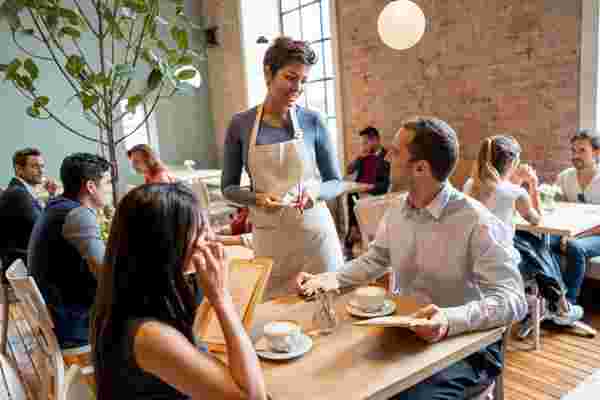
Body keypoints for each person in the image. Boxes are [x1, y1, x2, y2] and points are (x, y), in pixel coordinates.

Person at [297, 117, 527, 399]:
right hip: (405, 333)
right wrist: (329, 278)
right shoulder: (396, 211)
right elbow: (375, 260)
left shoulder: (477, 221)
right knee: (332, 376)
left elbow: (514, 299)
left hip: (466, 346)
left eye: (394, 152)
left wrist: (448, 319)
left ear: (420, 168)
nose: (386, 158)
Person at [92, 183, 267, 400]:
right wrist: (222, 298)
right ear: (166, 244)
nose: (211, 239)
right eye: (201, 231)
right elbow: (253, 396)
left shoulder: (130, 297)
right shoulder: (150, 335)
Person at [221, 36, 344, 299]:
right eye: (290, 77)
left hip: (316, 240)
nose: (297, 88)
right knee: (275, 321)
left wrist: (314, 194)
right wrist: (256, 198)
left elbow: (336, 181)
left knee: (328, 316)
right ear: (268, 72)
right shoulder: (240, 124)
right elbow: (228, 188)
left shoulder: (313, 121)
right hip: (270, 243)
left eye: (303, 81)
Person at [28, 153, 111, 348]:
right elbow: (106, 274)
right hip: (75, 321)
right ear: (91, 187)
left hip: (57, 313)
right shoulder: (78, 215)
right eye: (105, 183)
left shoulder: (56, 206)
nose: (107, 189)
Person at [549, 129, 600, 316]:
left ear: (596, 153)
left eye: (582, 151)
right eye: (573, 151)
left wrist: (574, 236)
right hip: (570, 232)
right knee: (544, 242)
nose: (575, 155)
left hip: (595, 235)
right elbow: (553, 209)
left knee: (575, 247)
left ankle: (568, 307)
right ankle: (552, 297)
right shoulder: (565, 177)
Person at [464, 135, 541, 234]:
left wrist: (517, 179)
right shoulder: (516, 193)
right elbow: (537, 220)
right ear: (512, 163)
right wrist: (533, 183)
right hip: (500, 249)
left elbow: (500, 192)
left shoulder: (470, 184)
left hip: (473, 248)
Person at [0, 148, 58, 267]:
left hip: (26, 265)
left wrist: (51, 195)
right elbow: (44, 228)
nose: (41, 171)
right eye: (35, 166)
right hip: (25, 268)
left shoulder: (21, 191)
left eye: (42, 166)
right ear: (19, 169)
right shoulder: (18, 193)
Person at [344, 126, 390, 254]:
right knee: (351, 194)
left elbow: (386, 184)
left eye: (365, 142)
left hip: (376, 193)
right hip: (360, 191)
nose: (363, 146)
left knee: (357, 199)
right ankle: (353, 230)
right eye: (362, 143)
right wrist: (359, 157)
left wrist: (369, 187)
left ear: (375, 140)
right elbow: (349, 170)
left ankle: (354, 233)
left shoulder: (387, 156)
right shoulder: (364, 157)